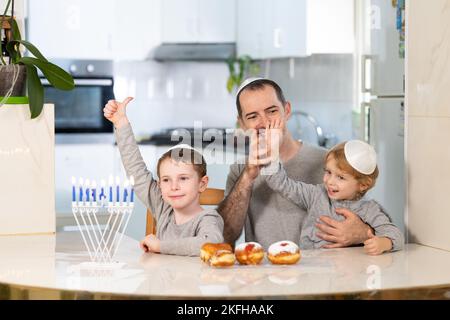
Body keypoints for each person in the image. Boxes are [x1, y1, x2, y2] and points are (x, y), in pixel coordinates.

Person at [218, 77, 374, 249]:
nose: (265, 123)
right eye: (253, 116)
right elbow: (225, 236)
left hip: (323, 271)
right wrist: (248, 177)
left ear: (287, 110)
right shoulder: (240, 171)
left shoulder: (328, 163)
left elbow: (368, 220)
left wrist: (363, 232)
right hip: (263, 271)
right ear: (242, 124)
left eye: (271, 111)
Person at [103, 97, 224, 256]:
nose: (174, 186)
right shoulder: (162, 207)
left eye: (183, 178)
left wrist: (161, 246)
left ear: (202, 184)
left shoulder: (208, 219)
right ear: (160, 185)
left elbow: (211, 243)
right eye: (166, 180)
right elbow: (136, 170)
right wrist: (120, 123)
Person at [263, 120, 404, 255]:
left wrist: (384, 243)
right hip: (312, 268)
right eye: (328, 172)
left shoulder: (369, 209)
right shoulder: (315, 194)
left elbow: (396, 235)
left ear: (363, 185)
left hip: (348, 272)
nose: (329, 181)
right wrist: (272, 152)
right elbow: (279, 183)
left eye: (340, 177)